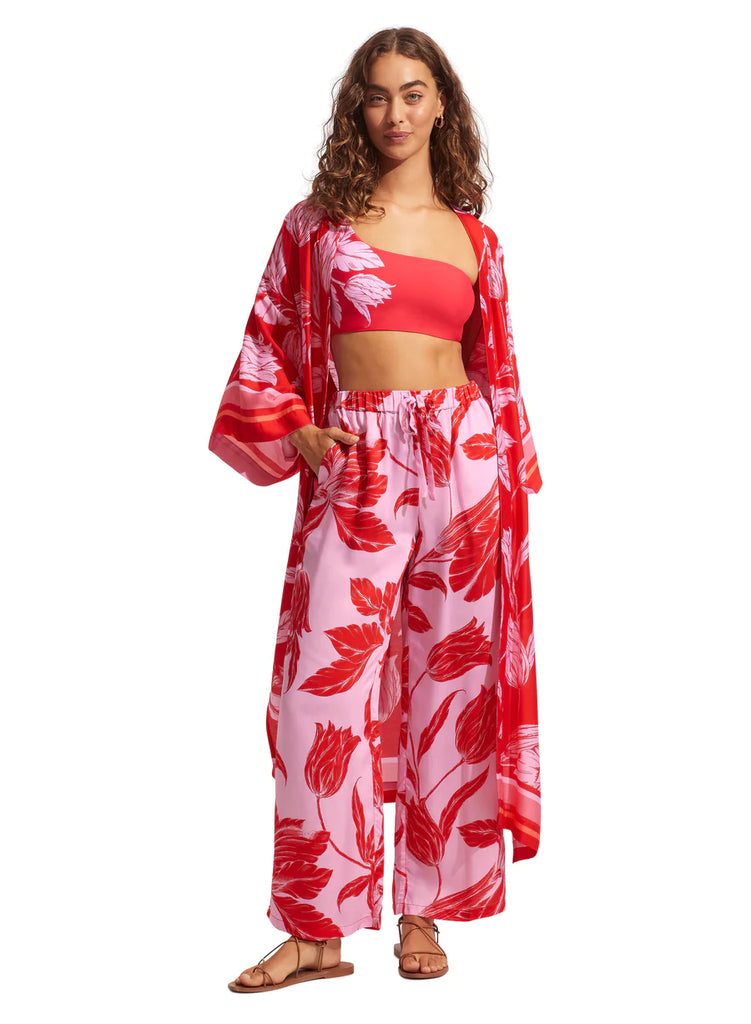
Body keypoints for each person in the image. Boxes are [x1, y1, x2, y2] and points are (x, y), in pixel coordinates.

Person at [209, 26, 543, 993]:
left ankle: (423, 912)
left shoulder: (476, 239)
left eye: (412, 92)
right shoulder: (316, 225)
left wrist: (508, 478)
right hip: (356, 459)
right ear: (356, 108)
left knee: (451, 689)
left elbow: (495, 369)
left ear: (442, 106)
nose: (394, 112)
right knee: (322, 694)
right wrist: (298, 431)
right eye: (376, 94)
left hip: (463, 461)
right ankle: (316, 929)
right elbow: (268, 339)